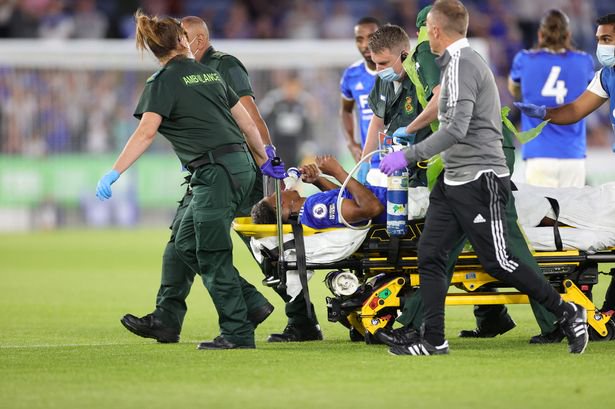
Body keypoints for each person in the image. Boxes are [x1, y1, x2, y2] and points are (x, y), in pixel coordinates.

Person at [378, 0, 589, 355]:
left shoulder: (462, 66)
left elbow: (455, 130)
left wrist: (407, 155)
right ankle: (433, 340)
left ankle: (566, 311)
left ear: (435, 30)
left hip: (480, 177)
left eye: (426, 29)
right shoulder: (457, 63)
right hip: (454, 177)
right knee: (431, 253)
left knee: (499, 261)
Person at [96, 10, 286, 350]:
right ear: (182, 41)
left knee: (212, 253)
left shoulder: (162, 81)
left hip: (214, 173)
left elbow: (145, 133)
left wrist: (115, 171)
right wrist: (265, 161)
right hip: (239, 167)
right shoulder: (210, 74)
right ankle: (251, 303)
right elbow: (246, 122)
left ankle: (237, 333)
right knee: (185, 244)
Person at [516, 12, 615, 322]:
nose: (601, 46)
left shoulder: (527, 59)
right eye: (599, 39)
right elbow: (574, 110)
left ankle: (608, 314)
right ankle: (607, 314)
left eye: (607, 39)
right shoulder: (606, 75)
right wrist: (545, 113)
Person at [508, 9, 594, 188]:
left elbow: (513, 89)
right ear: (568, 35)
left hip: (538, 154)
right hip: (572, 154)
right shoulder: (584, 61)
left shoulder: (524, 59)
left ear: (540, 35)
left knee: (541, 207)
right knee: (572, 207)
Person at [359, 24, 429, 188]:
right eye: (375, 63)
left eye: (383, 63)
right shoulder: (382, 81)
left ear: (404, 55)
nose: (379, 70)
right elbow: (377, 121)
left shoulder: (423, 79)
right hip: (395, 169)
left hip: (424, 168)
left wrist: (410, 129)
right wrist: (365, 160)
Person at [251, 156, 384, 228]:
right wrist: (338, 172)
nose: (279, 191)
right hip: (393, 209)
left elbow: (344, 198)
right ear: (279, 205)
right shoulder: (314, 210)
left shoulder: (308, 211)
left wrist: (318, 180)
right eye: (273, 195)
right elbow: (373, 208)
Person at [340, 17, 381, 183]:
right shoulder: (352, 75)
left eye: (371, 37)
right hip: (369, 162)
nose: (365, 45)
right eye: (359, 39)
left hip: (400, 159)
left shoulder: (398, 71)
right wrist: (351, 142)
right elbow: (346, 110)